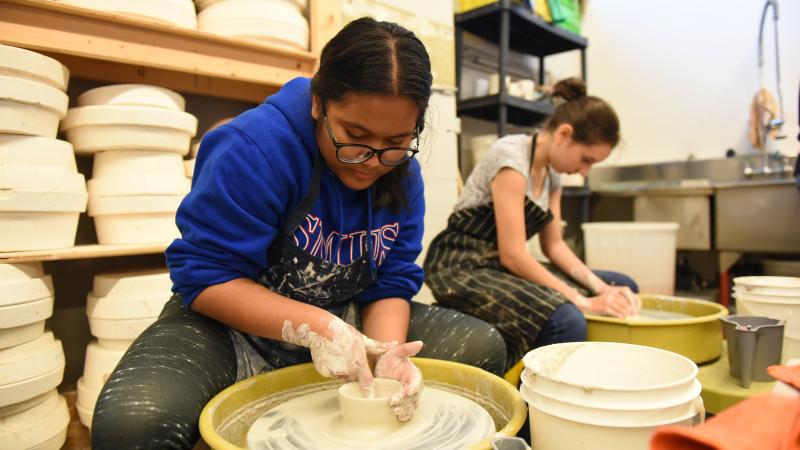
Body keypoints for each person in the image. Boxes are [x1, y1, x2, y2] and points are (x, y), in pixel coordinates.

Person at [90, 17, 506, 449]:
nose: (371, 161)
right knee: (132, 428)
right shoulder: (253, 148)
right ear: (318, 103)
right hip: (230, 327)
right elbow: (206, 278)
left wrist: (384, 356)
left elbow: (391, 282)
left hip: (344, 317)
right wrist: (319, 329)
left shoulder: (402, 173)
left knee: (481, 347)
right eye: (355, 136)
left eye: (396, 143)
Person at [423, 78, 641, 372]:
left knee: (622, 285)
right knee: (567, 319)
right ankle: (528, 406)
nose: (585, 171)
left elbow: (554, 245)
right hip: (460, 265)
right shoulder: (511, 158)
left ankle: (598, 372)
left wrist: (602, 290)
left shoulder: (553, 176)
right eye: (586, 159)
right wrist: (581, 301)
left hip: (501, 265)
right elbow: (513, 254)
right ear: (564, 134)